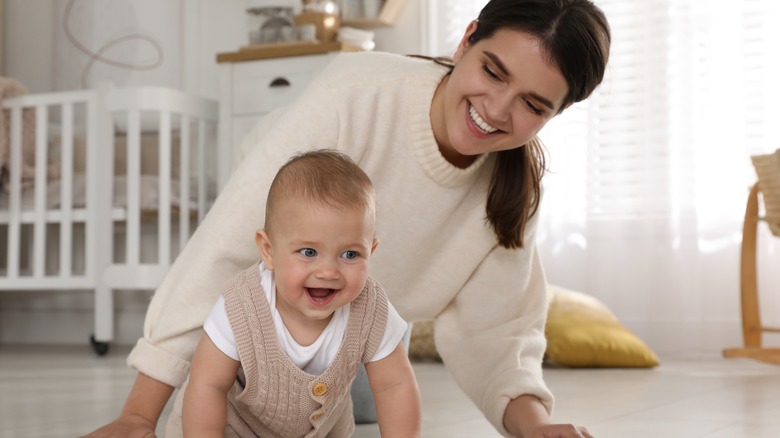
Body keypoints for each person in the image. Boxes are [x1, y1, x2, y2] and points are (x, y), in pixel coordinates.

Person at [83, 0, 610, 437]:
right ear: (466, 39)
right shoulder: (353, 94)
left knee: (357, 407)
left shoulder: (514, 193)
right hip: (279, 293)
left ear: (554, 115)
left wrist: (536, 426)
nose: (496, 110)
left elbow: (500, 331)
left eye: (533, 105)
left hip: (363, 320)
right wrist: (139, 414)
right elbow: (219, 254)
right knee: (237, 394)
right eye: (493, 71)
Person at [164, 150, 421, 437]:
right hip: (232, 427)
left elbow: (395, 386)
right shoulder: (240, 306)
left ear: (370, 251)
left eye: (350, 254)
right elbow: (207, 384)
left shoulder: (371, 308)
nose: (328, 271)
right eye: (309, 252)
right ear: (269, 251)